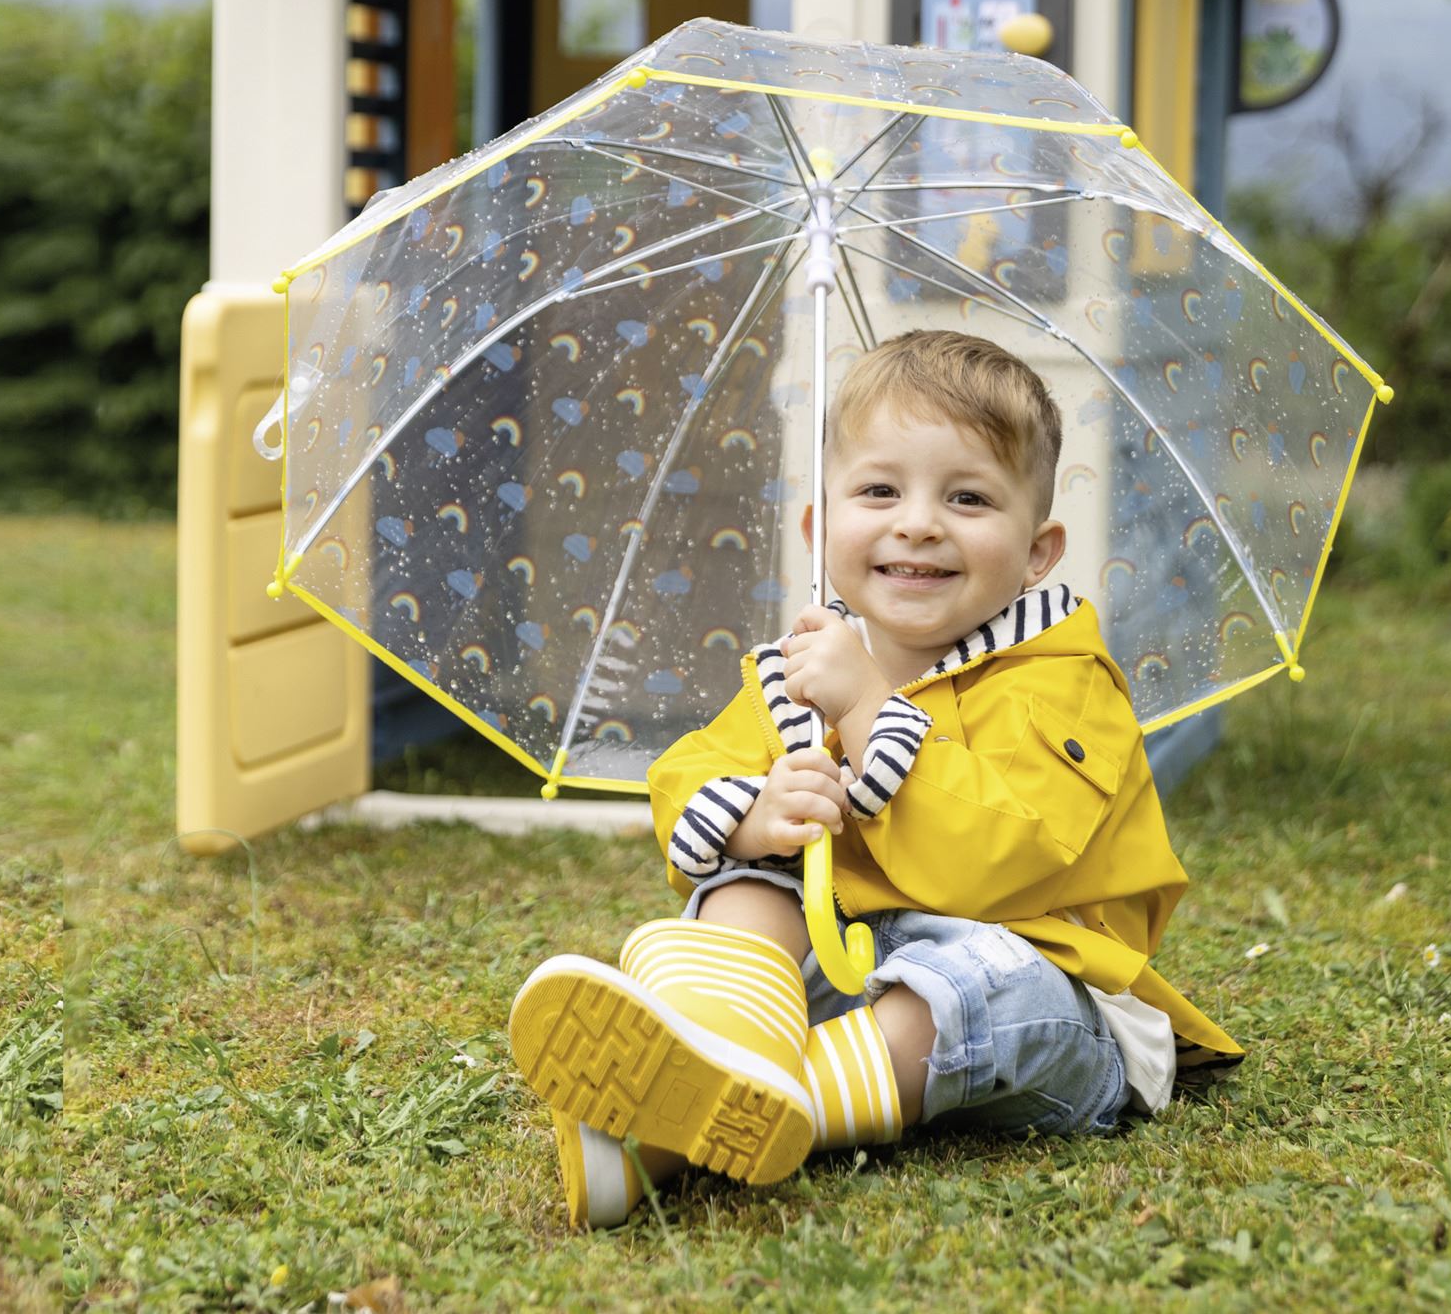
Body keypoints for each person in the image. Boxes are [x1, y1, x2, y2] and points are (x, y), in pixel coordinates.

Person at [509, 330, 1240, 1229]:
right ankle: (721, 1045)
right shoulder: (803, 670)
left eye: (968, 497)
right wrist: (753, 818)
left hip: (1040, 999)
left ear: (1038, 551)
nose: (918, 522)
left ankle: (730, 1117)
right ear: (822, 527)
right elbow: (692, 769)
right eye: (879, 490)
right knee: (748, 883)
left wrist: (867, 706)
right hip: (856, 974)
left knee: (991, 979)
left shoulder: (1064, 682)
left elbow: (998, 857)